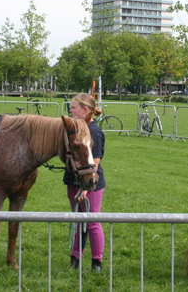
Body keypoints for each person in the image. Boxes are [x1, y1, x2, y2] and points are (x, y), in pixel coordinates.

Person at [64, 93, 106, 271]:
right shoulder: (75, 128)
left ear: (85, 110)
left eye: (73, 107)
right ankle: (75, 257)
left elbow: (95, 162)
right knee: (77, 220)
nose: (70, 110)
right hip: (73, 181)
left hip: (91, 184)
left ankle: (97, 261)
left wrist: (86, 188)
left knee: (92, 222)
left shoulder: (94, 131)